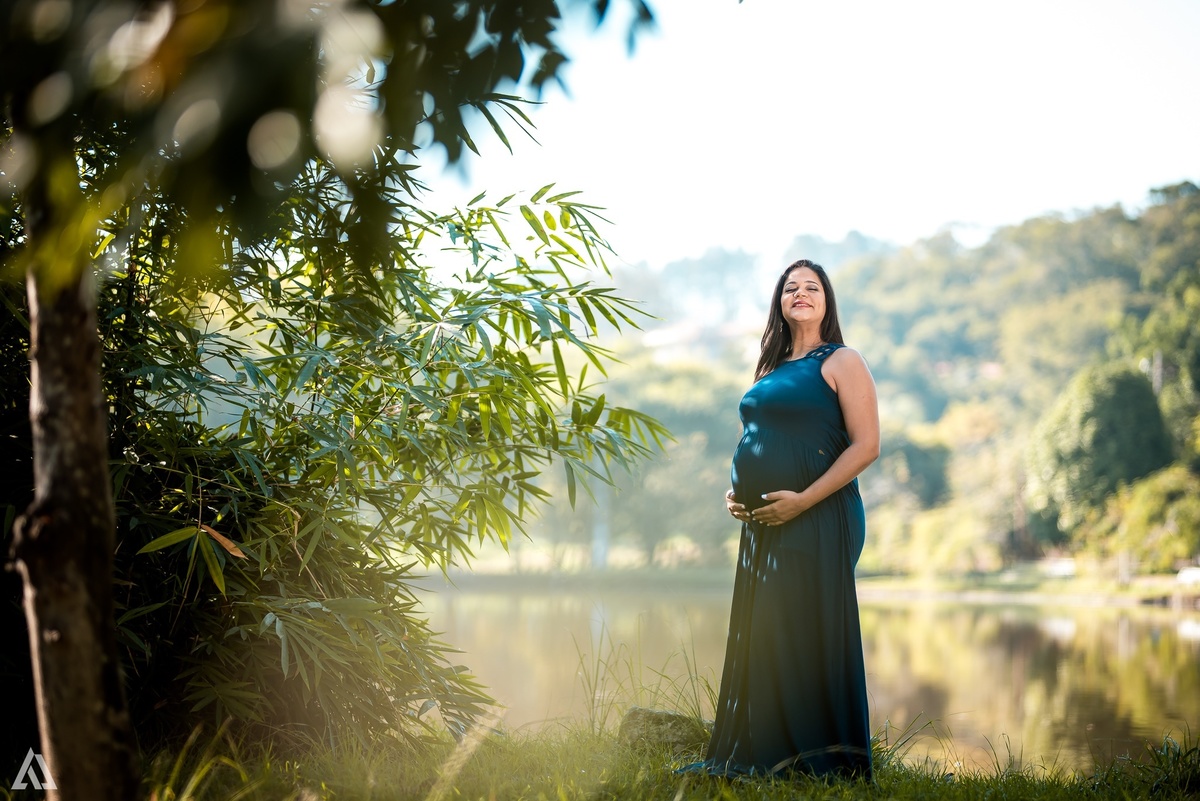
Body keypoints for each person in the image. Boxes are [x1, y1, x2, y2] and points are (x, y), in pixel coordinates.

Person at [681, 258, 879, 779]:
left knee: (803, 632)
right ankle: (763, 753)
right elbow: (762, 438)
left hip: (819, 516)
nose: (801, 293)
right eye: (791, 287)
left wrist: (803, 500)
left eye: (812, 287)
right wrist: (736, 490)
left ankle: (820, 760)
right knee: (765, 630)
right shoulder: (771, 367)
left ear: (827, 301)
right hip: (765, 523)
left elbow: (866, 446)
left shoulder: (841, 361)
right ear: (780, 302)